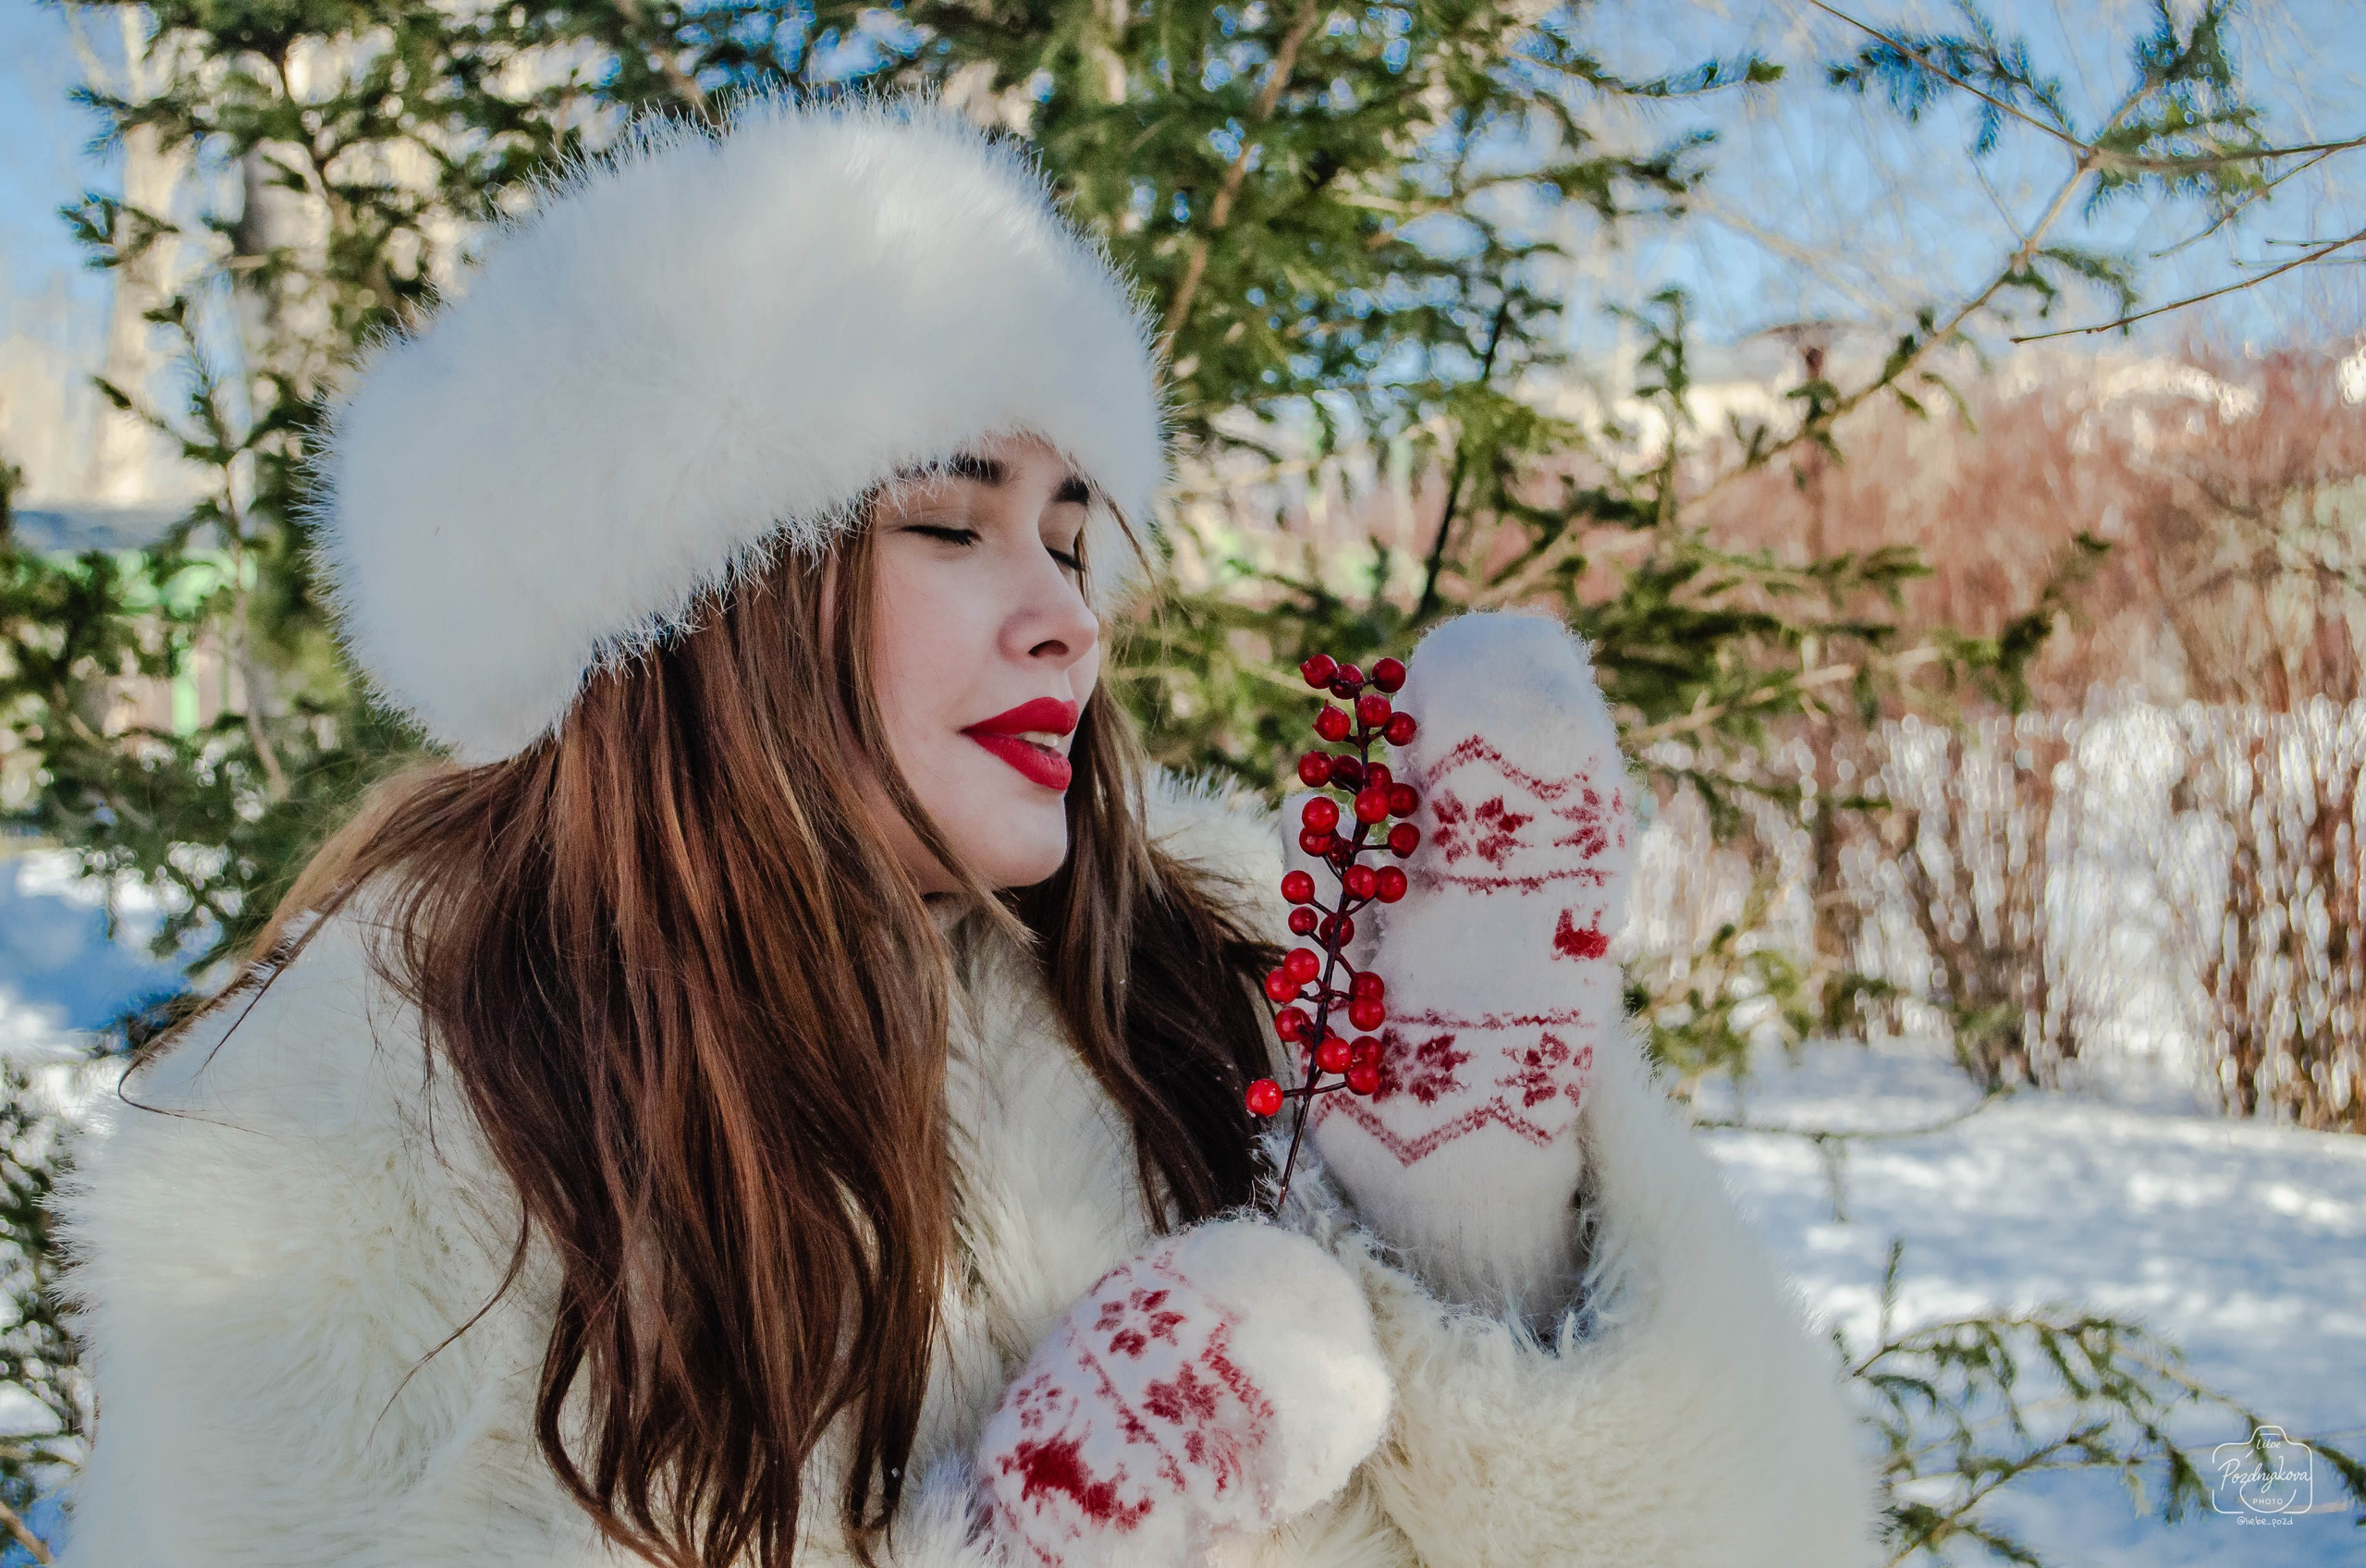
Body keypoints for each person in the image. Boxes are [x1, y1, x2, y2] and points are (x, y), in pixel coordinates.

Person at [55, 99, 1876, 1568]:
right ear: (695, 604)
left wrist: (1493, 1282)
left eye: (1072, 537)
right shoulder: (351, 1119)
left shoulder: (1232, 968)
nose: (1068, 618)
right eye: (950, 524)